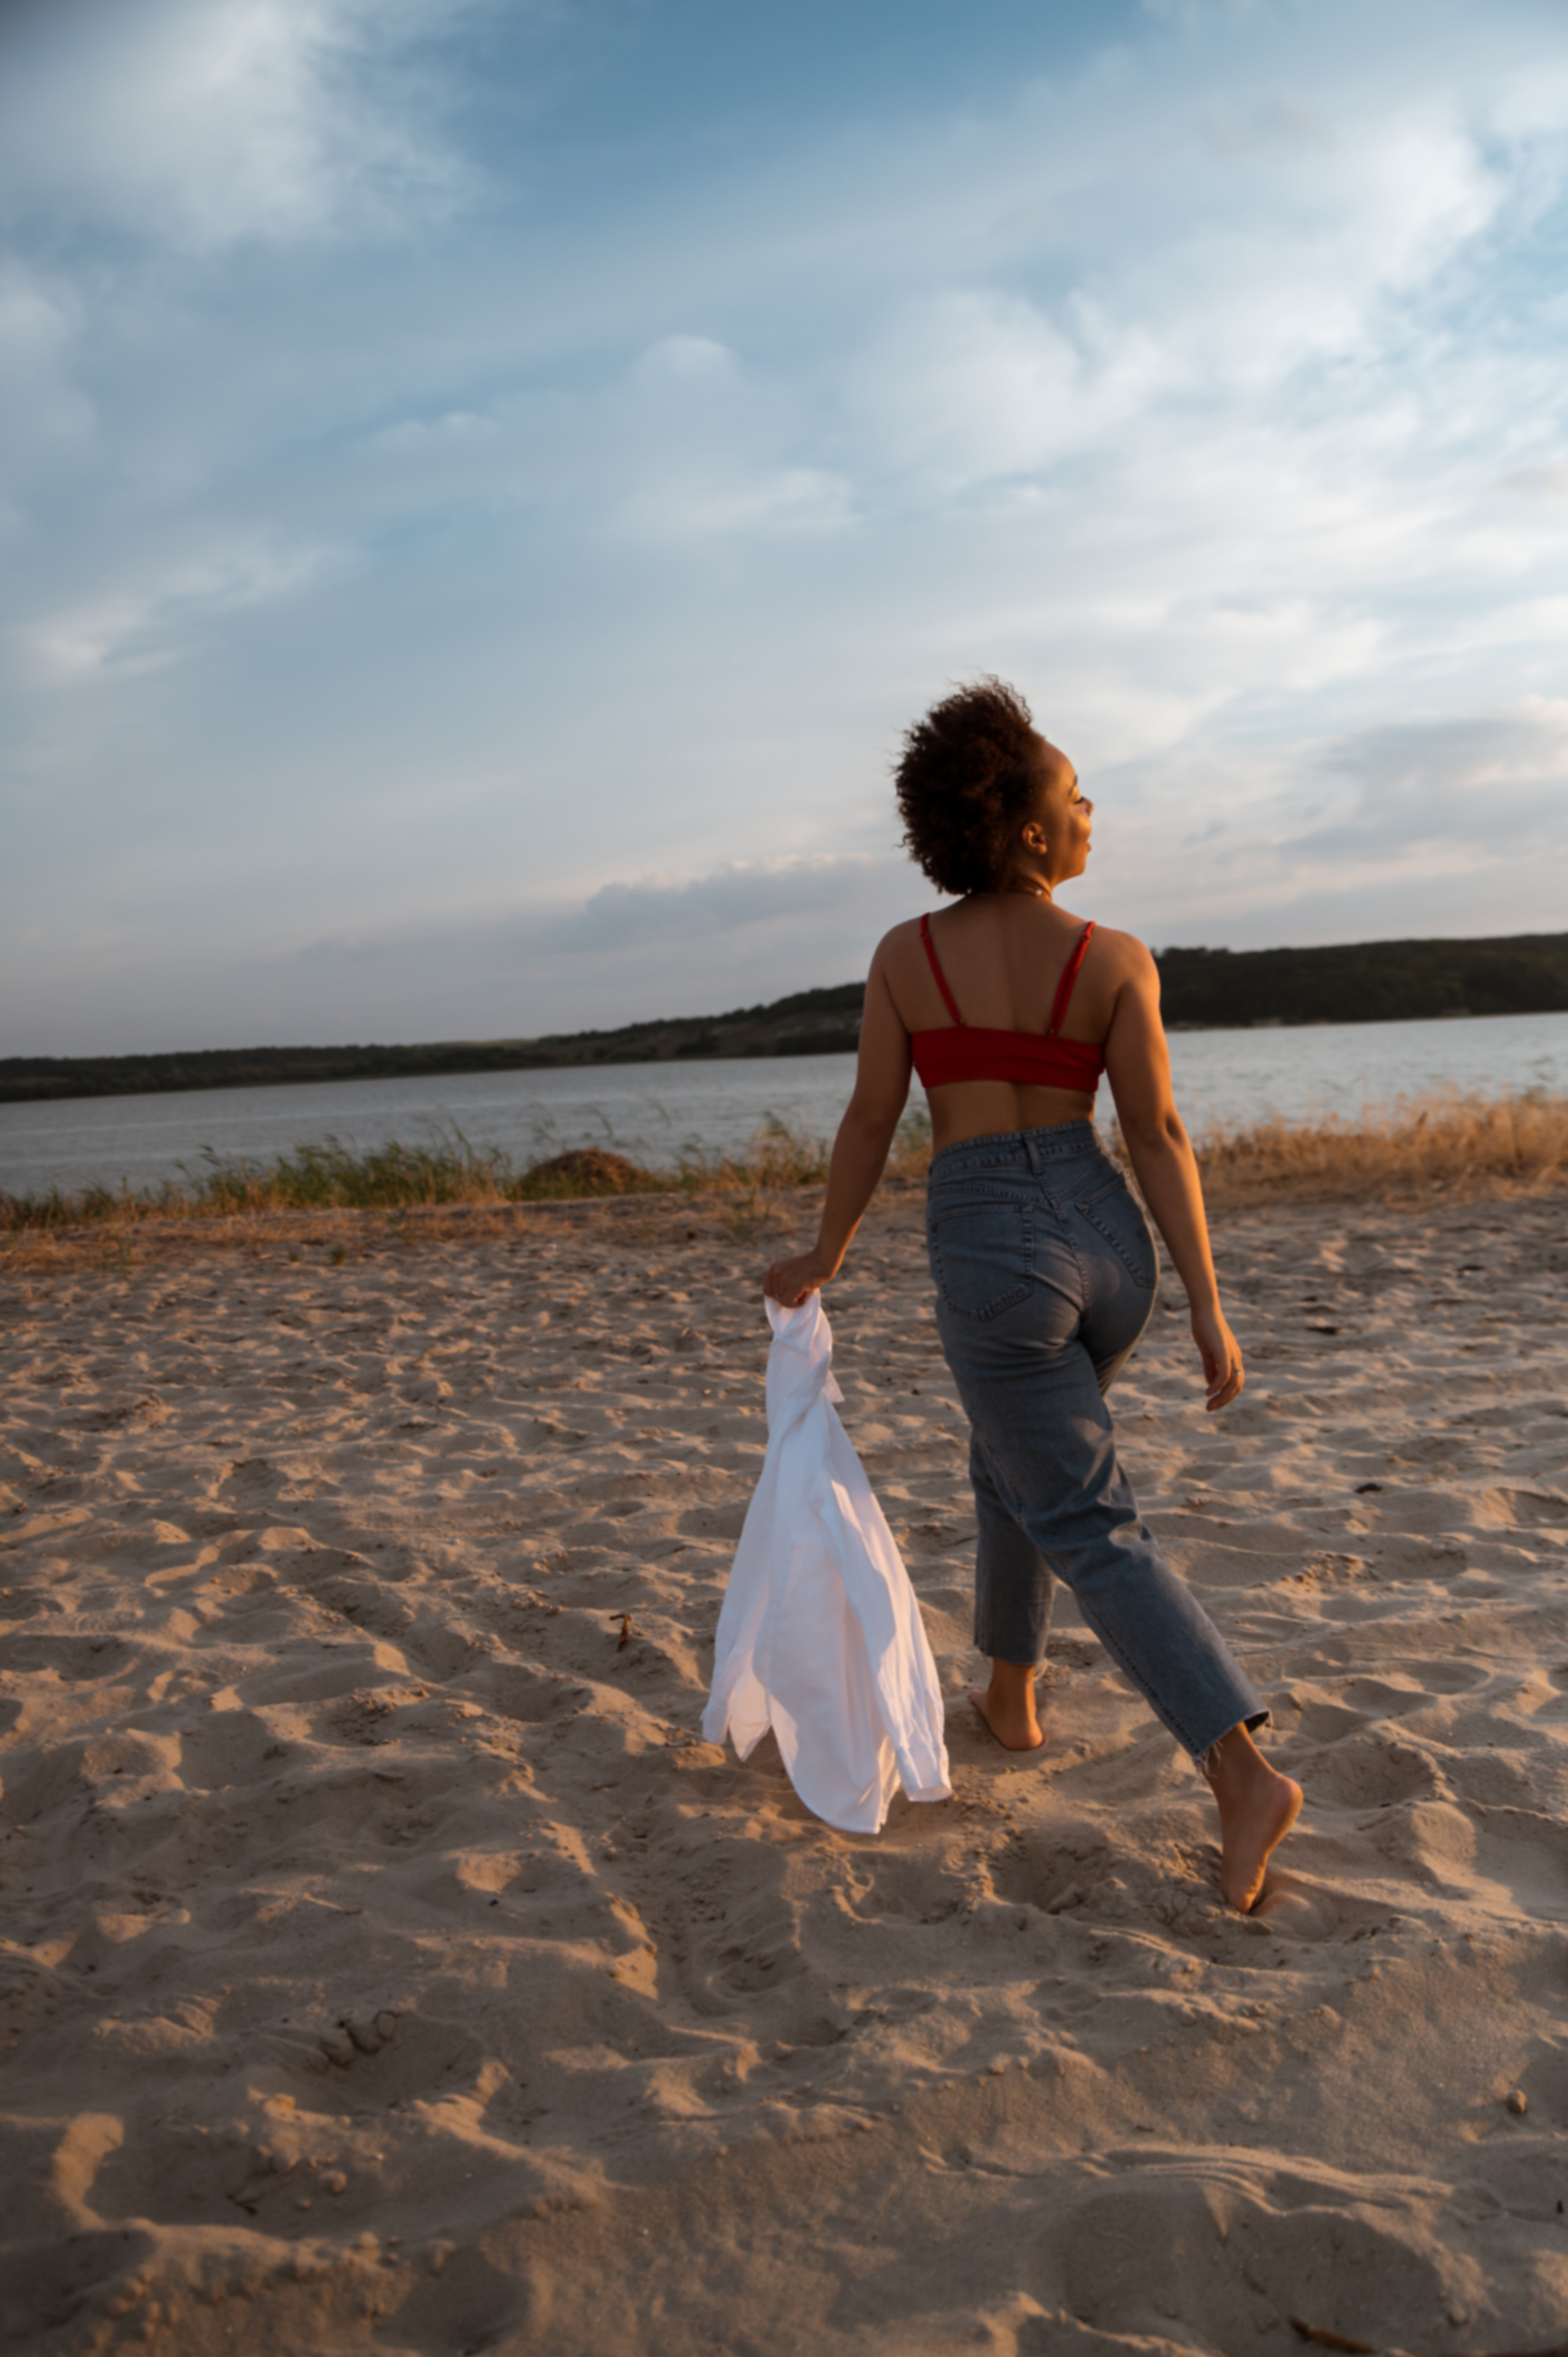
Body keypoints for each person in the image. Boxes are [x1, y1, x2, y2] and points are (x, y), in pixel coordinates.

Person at [764, 679, 1301, 1914]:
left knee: (1082, 1516)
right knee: (1012, 1458)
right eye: (1074, 796)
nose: (1089, 810)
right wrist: (1204, 1304)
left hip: (994, 1247)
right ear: (1023, 831)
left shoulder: (906, 957)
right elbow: (1155, 1132)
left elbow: (868, 1117)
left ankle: (1240, 1769)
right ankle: (1006, 1694)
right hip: (1109, 1243)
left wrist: (825, 1249)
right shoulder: (1112, 956)